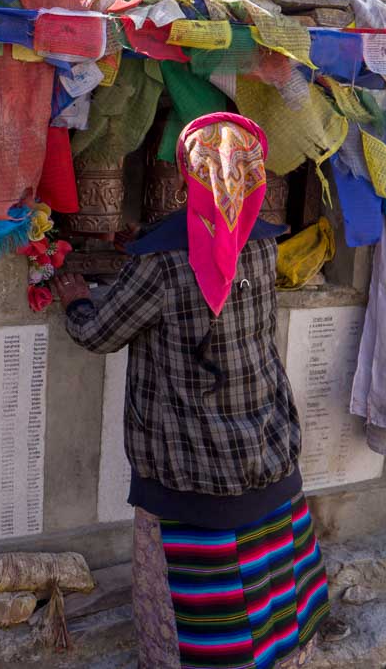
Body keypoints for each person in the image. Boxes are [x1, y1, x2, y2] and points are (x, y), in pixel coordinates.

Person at [53, 112, 329, 669]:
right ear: (252, 179)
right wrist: (152, 241)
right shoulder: (261, 246)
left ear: (184, 179)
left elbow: (98, 332)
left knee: (196, 625)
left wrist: (75, 297)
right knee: (268, 603)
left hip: (192, 472)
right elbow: (212, 271)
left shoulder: (162, 266)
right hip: (265, 454)